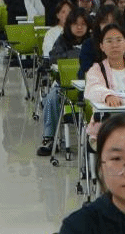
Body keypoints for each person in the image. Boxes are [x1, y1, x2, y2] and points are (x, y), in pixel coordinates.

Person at [38, 10, 92, 156]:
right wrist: (79, 56)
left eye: (83, 24)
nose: (79, 28)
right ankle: (49, 138)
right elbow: (54, 58)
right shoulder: (62, 40)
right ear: (69, 25)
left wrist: (72, 56)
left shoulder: (92, 41)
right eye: (75, 24)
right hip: (64, 86)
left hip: (90, 86)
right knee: (51, 98)